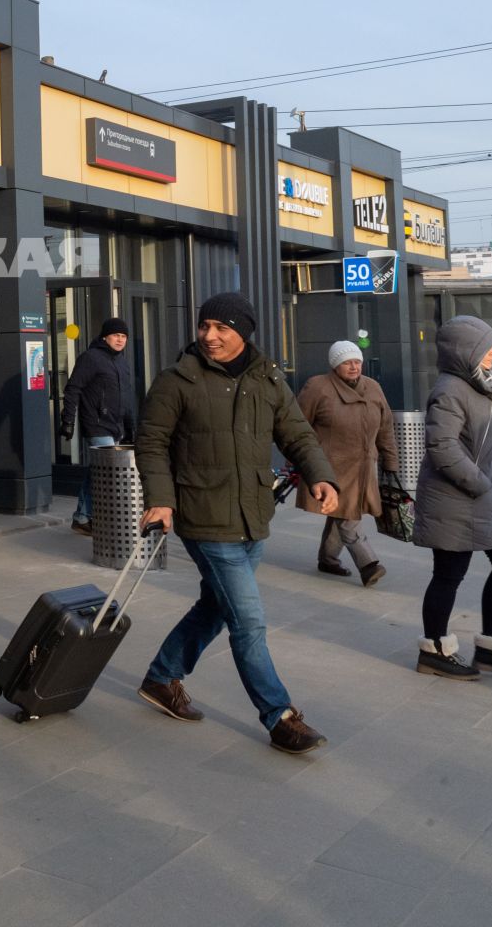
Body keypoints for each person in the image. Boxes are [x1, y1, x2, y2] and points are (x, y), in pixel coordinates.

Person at [134, 292, 340, 755]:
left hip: (253, 515)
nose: (209, 336)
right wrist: (162, 501)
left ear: (243, 332)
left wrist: (320, 475)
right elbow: (150, 443)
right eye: (204, 326)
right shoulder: (176, 381)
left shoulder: (267, 379)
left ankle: (162, 677)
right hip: (203, 517)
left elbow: (297, 433)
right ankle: (279, 716)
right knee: (248, 621)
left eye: (221, 328)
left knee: (214, 608)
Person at [413, 315, 492, 681]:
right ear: (465, 352)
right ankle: (434, 650)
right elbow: (442, 445)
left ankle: (491, 646)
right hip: (457, 499)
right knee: (450, 574)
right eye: (486, 346)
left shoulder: (480, 386)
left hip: (486, 500)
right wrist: (480, 483)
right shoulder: (450, 390)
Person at [298, 340, 398, 587]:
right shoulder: (318, 387)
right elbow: (297, 426)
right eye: (346, 362)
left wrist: (391, 461)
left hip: (364, 467)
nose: (353, 367)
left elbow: (385, 427)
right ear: (335, 365)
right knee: (347, 514)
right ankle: (368, 564)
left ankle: (328, 559)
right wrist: (304, 460)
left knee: (343, 512)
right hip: (330, 468)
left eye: (357, 362)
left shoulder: (373, 387)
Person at [58, 318, 136, 536]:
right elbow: (73, 389)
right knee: (109, 472)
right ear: (105, 337)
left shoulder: (121, 361)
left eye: (124, 336)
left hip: (116, 425)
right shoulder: (91, 358)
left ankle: (83, 516)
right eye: (116, 335)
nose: (120, 340)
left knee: (98, 472)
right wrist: (68, 421)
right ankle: (99, 518)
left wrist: (130, 427)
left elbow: (126, 397)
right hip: (98, 424)